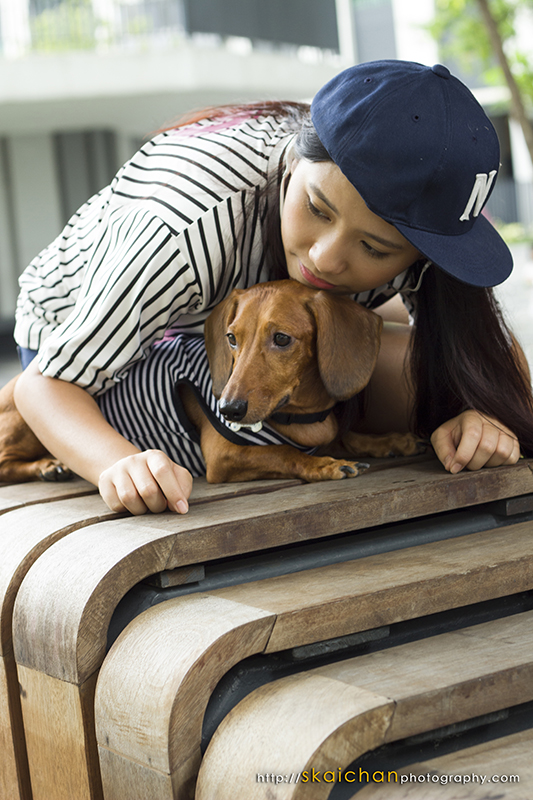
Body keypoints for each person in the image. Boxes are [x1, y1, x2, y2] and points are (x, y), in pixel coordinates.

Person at [13, 59, 533, 515]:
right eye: (317, 209)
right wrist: (121, 463)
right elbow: (45, 385)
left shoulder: (412, 246)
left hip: (246, 331)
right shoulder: (182, 228)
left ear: (424, 256)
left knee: (438, 370)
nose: (323, 258)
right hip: (83, 353)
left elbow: (485, 364)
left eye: (374, 248)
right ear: (292, 165)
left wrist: (479, 418)